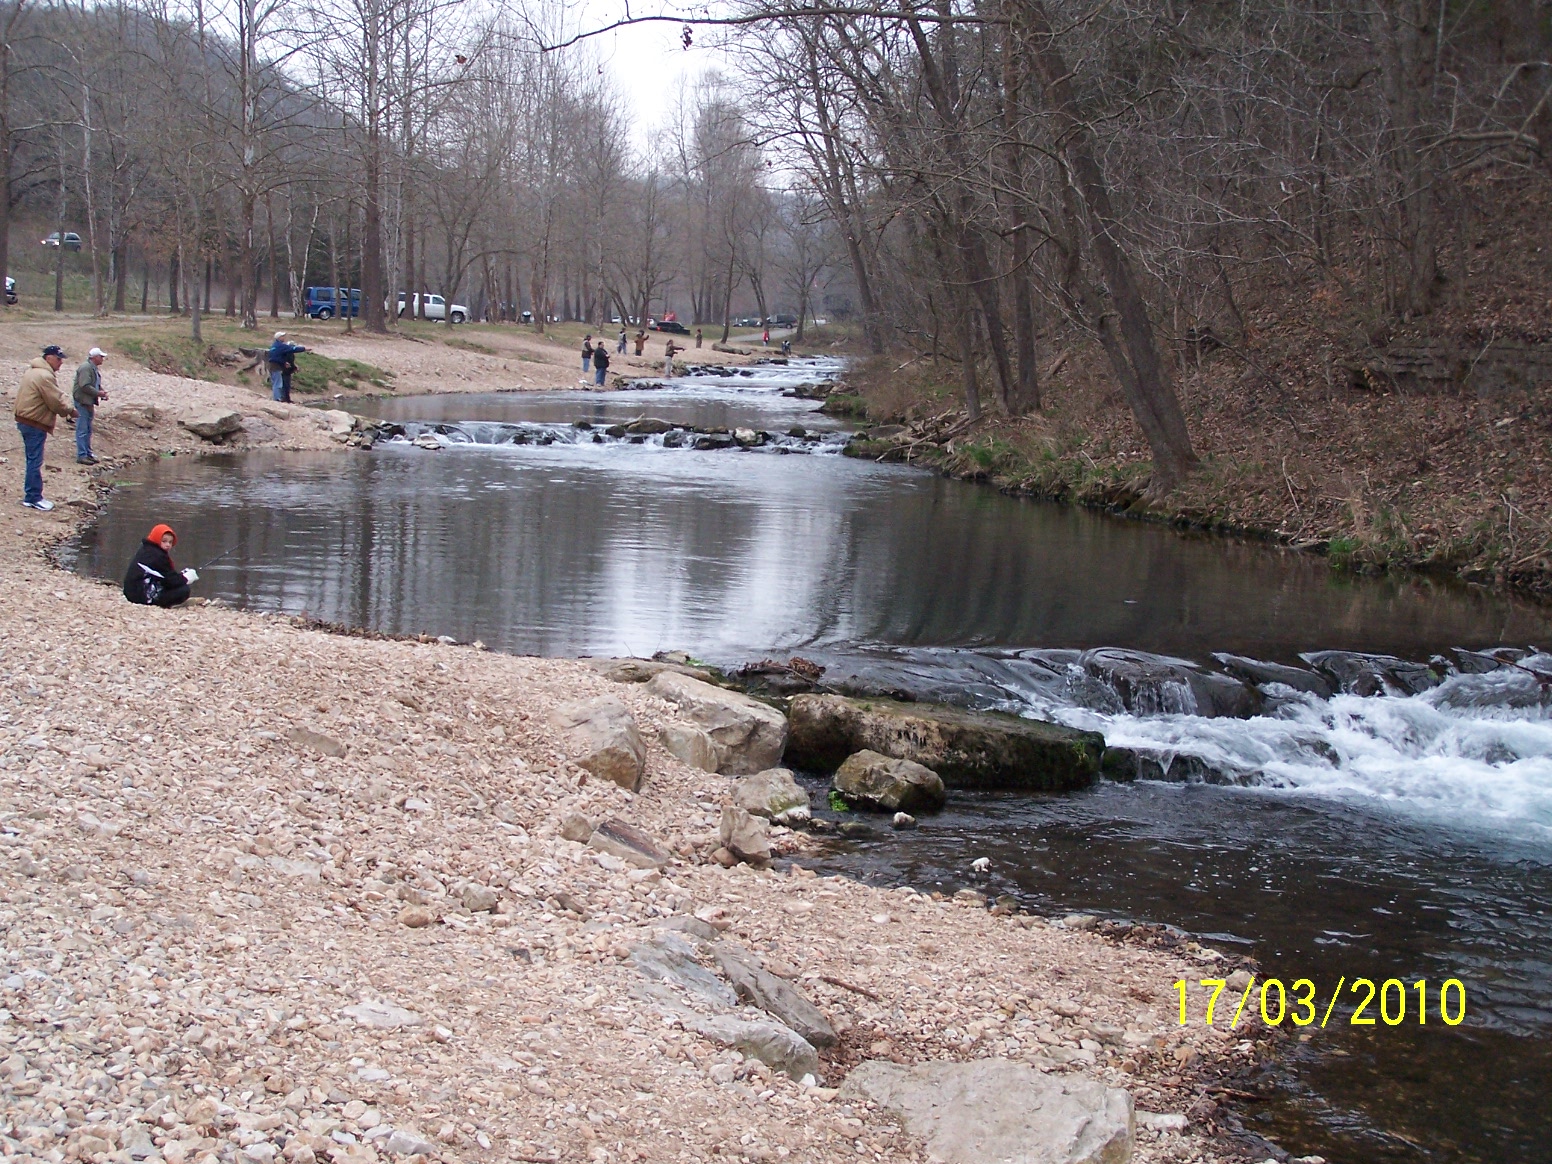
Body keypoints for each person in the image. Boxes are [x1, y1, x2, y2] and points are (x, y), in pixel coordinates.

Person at [13, 344, 77, 512]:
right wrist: (70, 410)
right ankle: (33, 497)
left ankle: (31, 495)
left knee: (31, 459)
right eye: (58, 358)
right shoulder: (44, 376)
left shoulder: (33, 371)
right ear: (48, 358)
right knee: (35, 460)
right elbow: (55, 401)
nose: (61, 362)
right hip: (34, 422)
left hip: (25, 419)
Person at [122, 523, 194, 608]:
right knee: (184, 590)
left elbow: (164, 576)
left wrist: (181, 576)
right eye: (164, 541)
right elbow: (170, 581)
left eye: (170, 542)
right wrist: (186, 578)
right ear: (156, 538)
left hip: (132, 593)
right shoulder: (158, 555)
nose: (168, 545)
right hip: (142, 596)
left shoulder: (146, 550)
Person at [73, 347, 108, 464]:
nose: (103, 359)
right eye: (101, 357)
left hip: (88, 402)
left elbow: (94, 384)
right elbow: (85, 385)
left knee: (88, 429)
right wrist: (98, 393)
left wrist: (101, 392)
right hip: (82, 402)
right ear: (95, 357)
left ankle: (88, 453)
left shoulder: (92, 368)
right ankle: (81, 455)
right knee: (82, 429)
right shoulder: (86, 368)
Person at [267, 332, 306, 403]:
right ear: (278, 338)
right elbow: (275, 358)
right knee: (278, 384)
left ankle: (280, 398)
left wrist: (285, 363)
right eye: (282, 336)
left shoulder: (275, 346)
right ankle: (277, 399)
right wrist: (304, 349)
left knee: (278, 383)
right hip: (279, 368)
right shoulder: (281, 347)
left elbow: (275, 357)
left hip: (276, 366)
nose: (284, 338)